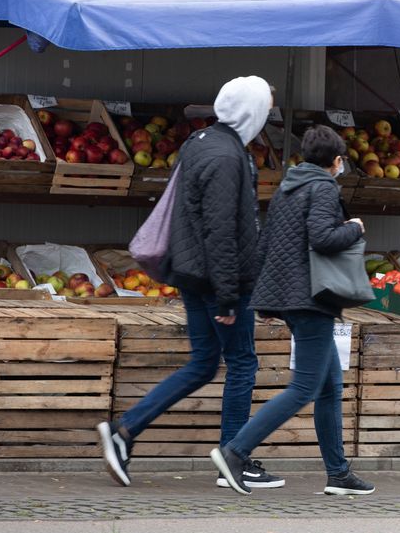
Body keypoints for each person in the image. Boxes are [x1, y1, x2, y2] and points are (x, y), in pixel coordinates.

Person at [98, 76, 280, 491]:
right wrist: (230, 297)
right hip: (219, 279)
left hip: (192, 273)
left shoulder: (200, 143)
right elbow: (220, 230)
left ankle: (124, 431)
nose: (266, 117)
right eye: (264, 110)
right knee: (241, 364)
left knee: (202, 363)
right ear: (251, 112)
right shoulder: (228, 158)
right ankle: (233, 456)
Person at [212, 125, 374, 496]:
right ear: (335, 161)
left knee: (330, 386)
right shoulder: (323, 188)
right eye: (341, 161)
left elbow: (265, 244)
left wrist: (268, 300)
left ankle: (338, 474)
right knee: (304, 388)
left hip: (293, 297)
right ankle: (235, 452)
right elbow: (322, 237)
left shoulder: (288, 187)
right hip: (312, 299)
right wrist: (353, 227)